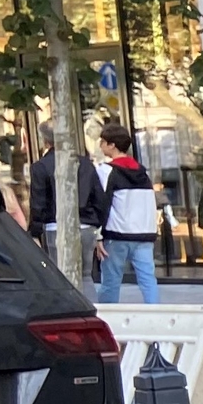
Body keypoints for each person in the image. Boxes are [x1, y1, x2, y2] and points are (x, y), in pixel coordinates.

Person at [94, 119, 162, 304]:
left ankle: (108, 319)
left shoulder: (106, 171)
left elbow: (101, 203)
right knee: (148, 279)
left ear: (111, 145)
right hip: (144, 234)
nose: (100, 145)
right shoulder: (142, 173)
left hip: (117, 234)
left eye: (102, 141)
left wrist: (98, 235)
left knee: (111, 281)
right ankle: (155, 314)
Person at [28, 138, 105, 271]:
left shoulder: (41, 166)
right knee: (86, 276)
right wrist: (96, 223)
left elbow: (38, 203)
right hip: (86, 225)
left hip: (56, 227)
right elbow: (99, 198)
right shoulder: (85, 163)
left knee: (61, 275)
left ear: (46, 142)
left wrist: (35, 232)